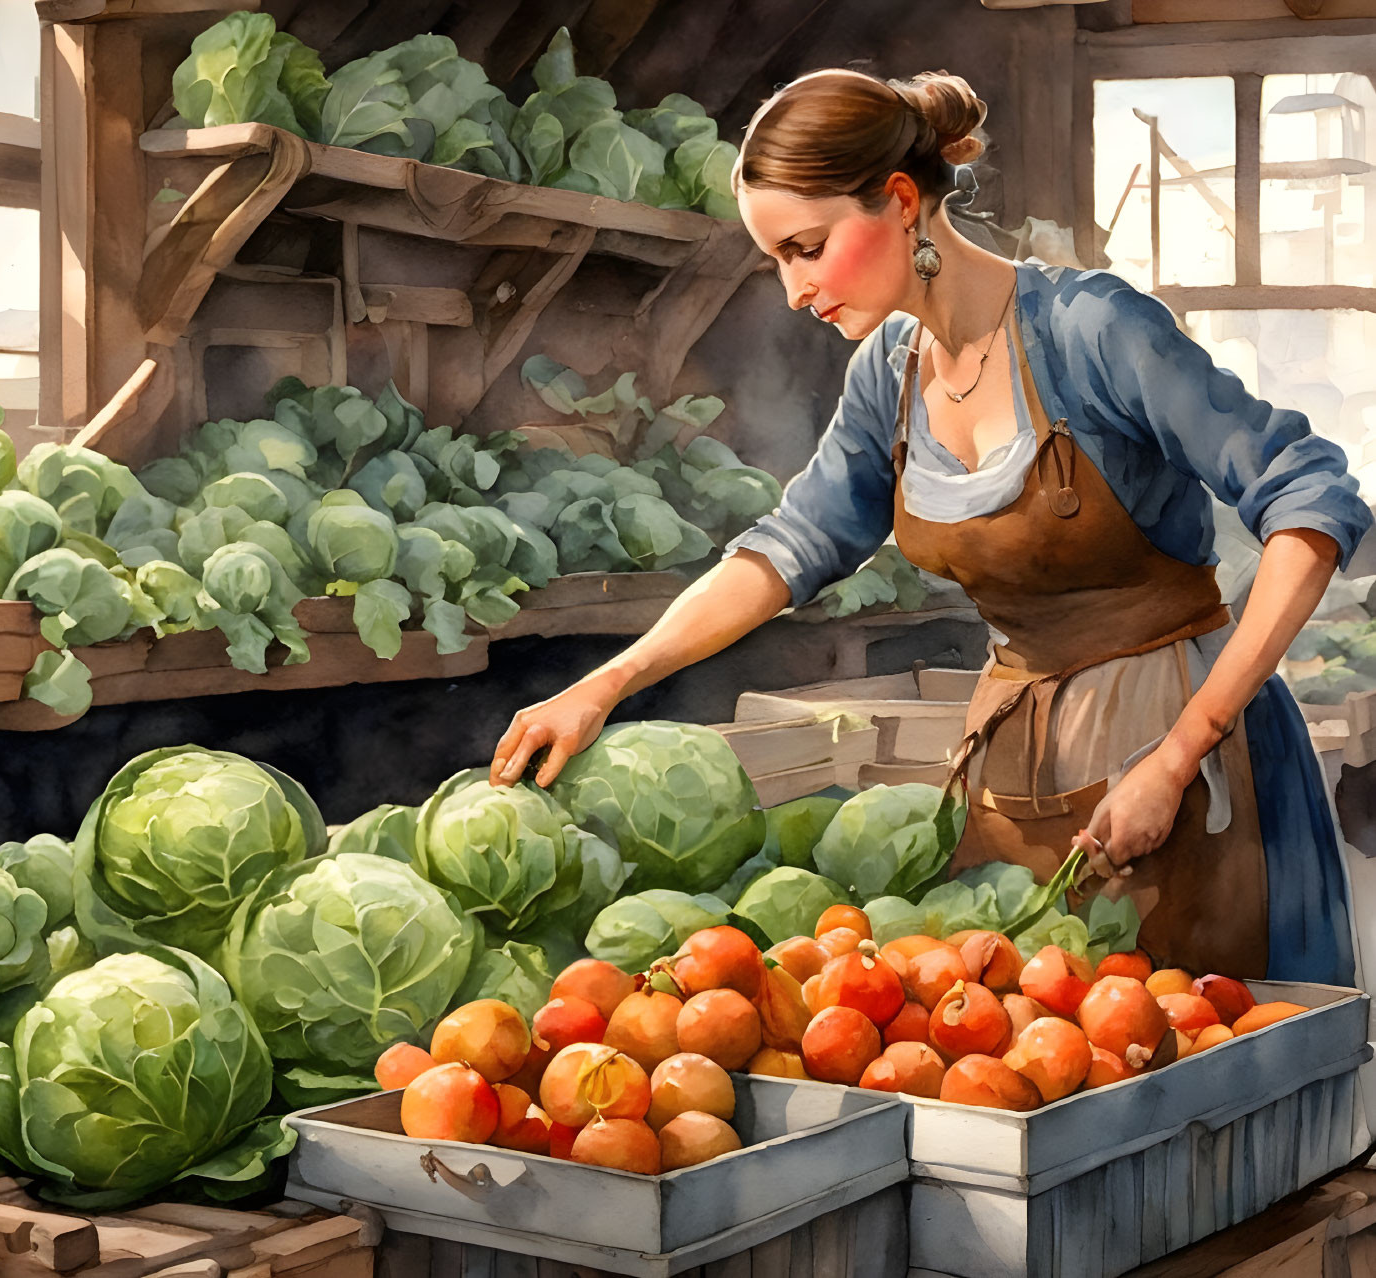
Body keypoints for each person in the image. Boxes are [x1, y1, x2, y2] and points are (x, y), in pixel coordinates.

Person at [490, 68, 1370, 985]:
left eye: (806, 247)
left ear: (900, 201)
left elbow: (1310, 504)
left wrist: (1180, 750)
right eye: (776, 261)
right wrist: (607, 684)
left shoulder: (1092, 331)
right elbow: (794, 546)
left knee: (1196, 1041)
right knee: (1024, 1054)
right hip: (1015, 773)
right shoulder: (889, 372)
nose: (794, 289)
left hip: (1189, 766)